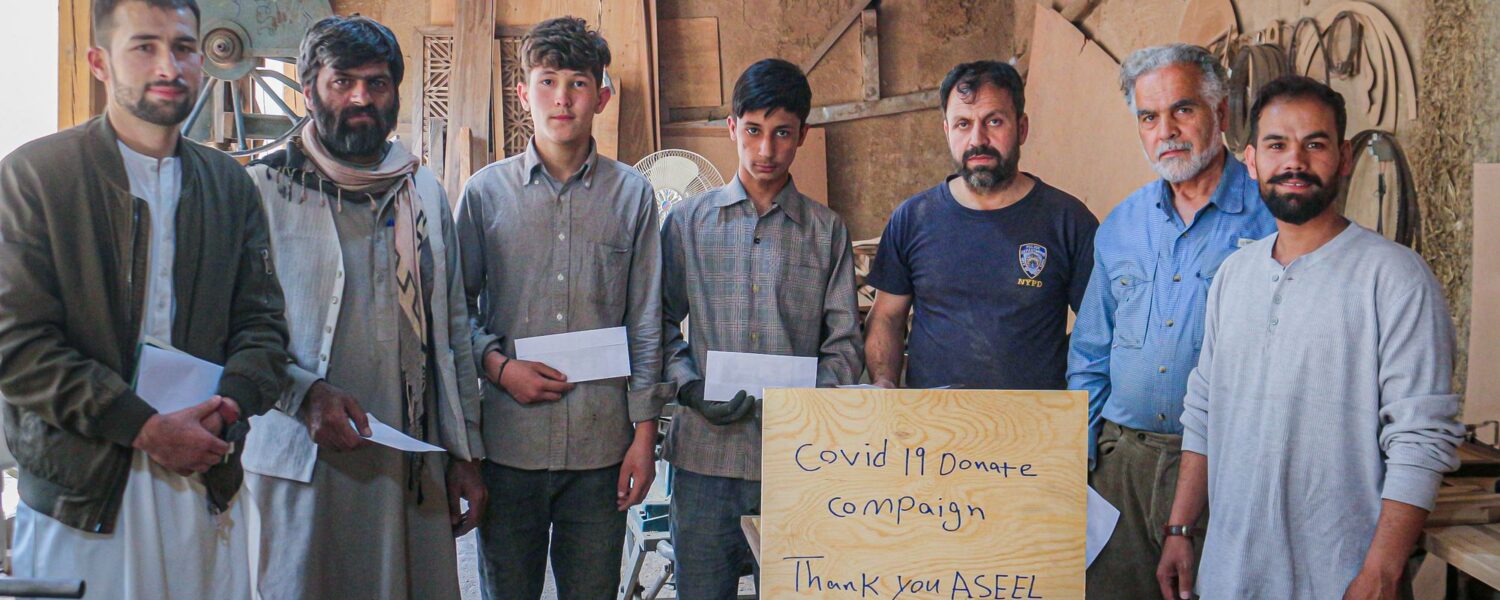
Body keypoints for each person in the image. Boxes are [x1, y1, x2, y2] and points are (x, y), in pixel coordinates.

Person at [0, 1, 290, 597]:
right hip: (80, 496)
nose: (169, 67)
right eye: (144, 47)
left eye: (183, 48)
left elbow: (262, 327)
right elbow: (16, 345)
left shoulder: (229, 185)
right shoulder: (36, 177)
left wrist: (228, 409)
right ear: (99, 62)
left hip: (205, 480)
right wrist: (143, 428)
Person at [1156, 76, 1463, 599]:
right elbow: (1204, 408)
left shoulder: (1394, 277)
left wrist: (1382, 573)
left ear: (1344, 158)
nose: (1294, 162)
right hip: (1230, 577)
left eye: (1314, 144)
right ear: (1251, 161)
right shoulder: (1234, 275)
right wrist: (1181, 528)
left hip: (1342, 579)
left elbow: (1421, 437)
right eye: (1277, 145)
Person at [239, 16, 486, 600]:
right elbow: (232, 329)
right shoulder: (263, 189)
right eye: (342, 82)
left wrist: (466, 455)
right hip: (303, 459)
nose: (360, 98)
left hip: (407, 462)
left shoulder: (421, 191)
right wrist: (303, 396)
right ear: (309, 91)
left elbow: (452, 333)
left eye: (376, 83)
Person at [456, 16, 672, 600]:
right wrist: (500, 367)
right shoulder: (484, 195)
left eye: (578, 83)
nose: (562, 98)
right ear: (523, 93)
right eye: (547, 82)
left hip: (600, 451)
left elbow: (645, 322)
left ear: (601, 97)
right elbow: (454, 312)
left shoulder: (632, 196)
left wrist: (644, 437)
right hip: (508, 446)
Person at [1066, 44, 1276, 599]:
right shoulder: (1122, 225)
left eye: (1183, 109)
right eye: (1149, 117)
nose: (1167, 131)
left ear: (1220, 113)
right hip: (1121, 468)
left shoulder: (1272, 219)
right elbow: (1090, 354)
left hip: (1226, 468)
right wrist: (1084, 459)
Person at [661, 58, 864, 598]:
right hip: (705, 458)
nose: (766, 150)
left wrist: (810, 403)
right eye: (753, 130)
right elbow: (657, 324)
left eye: (782, 133)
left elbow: (844, 343)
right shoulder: (686, 224)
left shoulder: (826, 232)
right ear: (731, 128)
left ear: (803, 135)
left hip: (797, 463)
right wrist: (689, 387)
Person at [864, 60, 1098, 391]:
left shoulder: (1067, 220)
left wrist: (1075, 391)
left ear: (1022, 128)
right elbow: (886, 317)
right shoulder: (912, 219)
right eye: (963, 124)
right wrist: (883, 381)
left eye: (994, 121)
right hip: (934, 419)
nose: (978, 139)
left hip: (1035, 420)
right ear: (947, 131)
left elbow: (1099, 327)